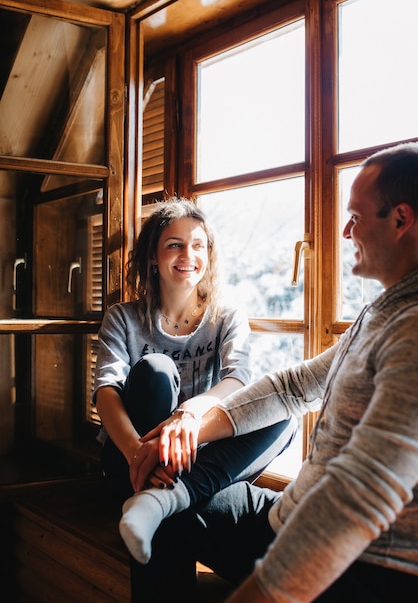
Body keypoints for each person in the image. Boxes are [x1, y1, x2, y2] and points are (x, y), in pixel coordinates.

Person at [138, 142, 418, 603]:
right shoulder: (384, 309)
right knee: (163, 505)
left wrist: (260, 594)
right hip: (290, 514)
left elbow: (361, 494)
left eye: (357, 217)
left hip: (360, 563)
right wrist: (189, 425)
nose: (345, 231)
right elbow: (294, 386)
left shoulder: (412, 330)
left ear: (401, 220)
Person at [93, 197, 296, 567]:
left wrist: (189, 413)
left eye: (198, 245)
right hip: (130, 456)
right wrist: (139, 452)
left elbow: (239, 378)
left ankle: (160, 501)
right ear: (153, 256)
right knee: (155, 370)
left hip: (195, 457)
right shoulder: (122, 318)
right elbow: (106, 392)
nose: (189, 254)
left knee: (282, 415)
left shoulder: (226, 315)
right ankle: (161, 494)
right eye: (175, 244)